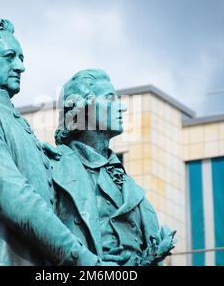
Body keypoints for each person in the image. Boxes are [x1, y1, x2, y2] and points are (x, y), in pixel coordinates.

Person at [0, 19, 110, 266]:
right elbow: (16, 200)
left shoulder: (8, 119)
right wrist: (84, 261)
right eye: (10, 57)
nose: (21, 67)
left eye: (21, 58)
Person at [51, 69, 176, 266]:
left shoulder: (128, 184)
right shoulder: (54, 167)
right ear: (84, 109)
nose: (122, 107)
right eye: (110, 99)